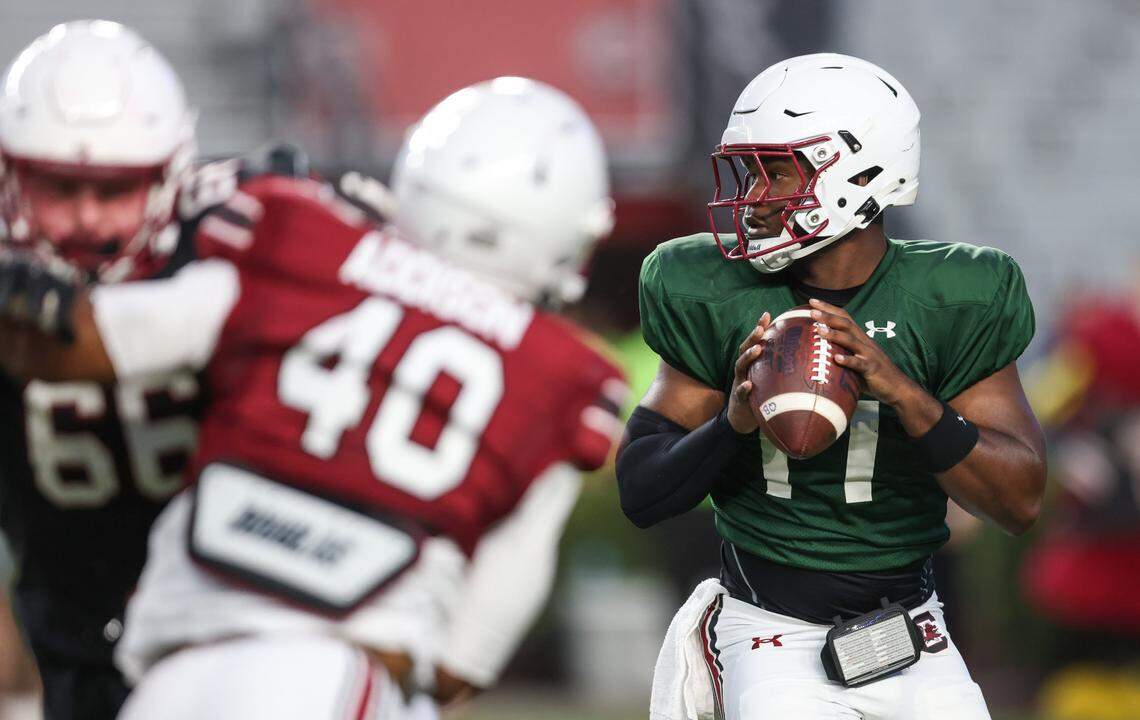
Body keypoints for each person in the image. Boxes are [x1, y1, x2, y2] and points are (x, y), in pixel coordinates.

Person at [0, 77, 626, 718]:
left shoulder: (299, 246)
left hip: (173, 674)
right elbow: (459, 663)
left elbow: (92, 340)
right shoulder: (560, 381)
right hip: (332, 673)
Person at [616, 53, 1046, 719]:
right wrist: (732, 422)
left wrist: (903, 394)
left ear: (861, 170)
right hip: (768, 628)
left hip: (912, 630)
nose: (753, 199)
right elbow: (643, 490)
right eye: (749, 173)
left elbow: (1019, 501)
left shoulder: (955, 294)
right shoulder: (708, 286)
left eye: (775, 172)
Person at [0, 21, 200, 720]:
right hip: (75, 655)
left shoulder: (229, 256)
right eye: (60, 187)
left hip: (225, 639)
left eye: (114, 191)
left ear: (168, 177)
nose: (87, 220)